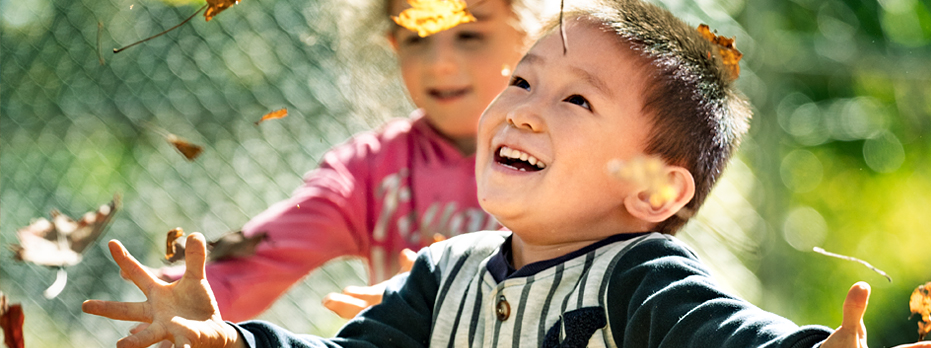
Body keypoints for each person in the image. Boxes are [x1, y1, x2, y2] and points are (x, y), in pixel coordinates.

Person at [83, 0, 931, 347]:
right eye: (521, 81)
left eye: (576, 100)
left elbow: (724, 336)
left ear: (654, 191)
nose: (522, 108)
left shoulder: (639, 276)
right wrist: (231, 336)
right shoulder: (440, 274)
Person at [155, 0, 544, 321]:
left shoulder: (569, 151)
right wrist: (180, 297)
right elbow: (267, 253)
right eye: (416, 38)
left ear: (531, 36)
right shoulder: (369, 170)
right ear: (393, 45)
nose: (439, 63)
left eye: (469, 34)